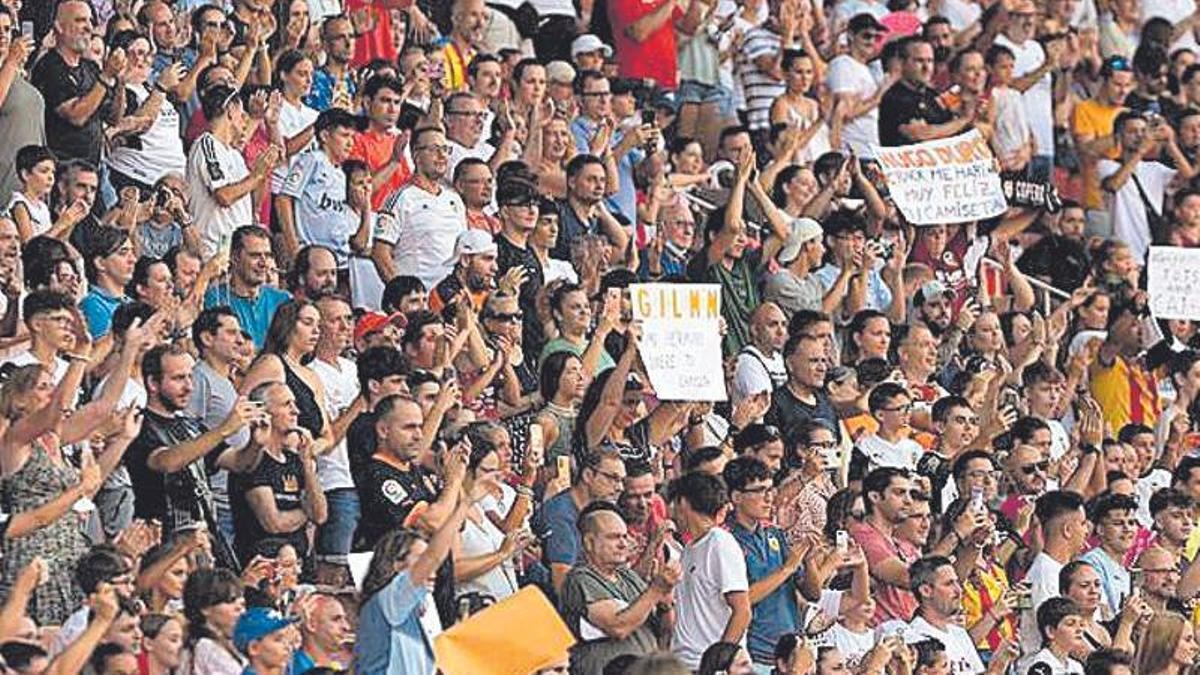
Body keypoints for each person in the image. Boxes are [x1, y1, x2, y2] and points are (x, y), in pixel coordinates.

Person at [354, 442, 472, 673]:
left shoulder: (421, 602)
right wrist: (458, 484)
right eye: (421, 561)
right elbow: (436, 524)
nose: (431, 569)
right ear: (396, 564)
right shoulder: (388, 601)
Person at [559, 503, 679, 673]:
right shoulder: (580, 579)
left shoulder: (627, 575)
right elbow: (618, 627)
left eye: (624, 536)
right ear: (589, 542)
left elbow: (663, 630)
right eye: (614, 537)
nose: (623, 544)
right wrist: (657, 591)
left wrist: (665, 605)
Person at [724, 456, 809, 668]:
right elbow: (742, 599)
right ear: (736, 496)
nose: (769, 498)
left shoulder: (773, 533)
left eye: (770, 489)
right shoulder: (726, 540)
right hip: (757, 655)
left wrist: (809, 555)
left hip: (793, 652)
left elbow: (811, 592)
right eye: (759, 490)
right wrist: (787, 568)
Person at [187, 85, 282, 261]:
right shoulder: (206, 145)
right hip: (214, 252)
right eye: (241, 111)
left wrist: (264, 171)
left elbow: (254, 199)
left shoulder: (234, 154)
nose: (244, 117)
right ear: (230, 110)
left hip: (238, 254)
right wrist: (256, 176)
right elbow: (223, 196)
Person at [669, 470, 751, 671]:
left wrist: (718, 664)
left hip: (705, 664)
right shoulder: (689, 549)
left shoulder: (719, 542)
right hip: (685, 663)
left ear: (683, 504)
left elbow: (742, 611)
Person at [31, 0, 124, 166]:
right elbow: (76, 116)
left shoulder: (91, 68)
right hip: (63, 169)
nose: (89, 27)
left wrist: (120, 80)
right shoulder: (49, 66)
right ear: (59, 26)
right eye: (80, 20)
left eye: (90, 21)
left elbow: (113, 118)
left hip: (94, 167)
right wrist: (107, 77)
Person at [373, 126, 467, 290]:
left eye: (445, 149)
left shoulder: (455, 199)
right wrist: (405, 295)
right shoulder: (401, 198)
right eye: (434, 149)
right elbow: (380, 253)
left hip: (451, 299)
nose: (442, 155)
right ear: (416, 156)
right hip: (420, 302)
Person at [203, 226, 293, 350]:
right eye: (255, 255)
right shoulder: (216, 298)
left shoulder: (283, 299)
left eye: (267, 255)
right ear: (235, 257)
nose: (263, 263)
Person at [905, 556, 987, 675]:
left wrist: (1001, 660)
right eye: (949, 584)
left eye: (957, 583)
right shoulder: (915, 637)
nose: (959, 590)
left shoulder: (959, 633)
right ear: (925, 591)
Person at [1018, 597, 1088, 675]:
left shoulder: (1076, 667)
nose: (1079, 629)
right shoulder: (1040, 667)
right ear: (1050, 631)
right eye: (1070, 624)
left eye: (1081, 625)